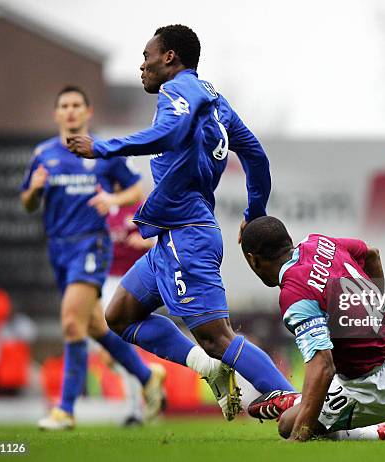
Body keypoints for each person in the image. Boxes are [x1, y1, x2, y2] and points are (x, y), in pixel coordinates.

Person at [67, 25, 294, 421]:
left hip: (187, 236)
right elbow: (256, 156)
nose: (142, 66)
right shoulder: (215, 101)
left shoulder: (179, 91)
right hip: (172, 238)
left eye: (147, 56)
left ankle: (297, 400)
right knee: (119, 315)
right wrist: (253, 214)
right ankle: (210, 370)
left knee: (217, 337)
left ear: (169, 57)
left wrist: (102, 148)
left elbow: (172, 132)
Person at [21, 86, 167, 430]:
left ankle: (65, 410)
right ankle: (147, 377)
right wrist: (35, 189)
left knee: (72, 323)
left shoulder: (102, 151)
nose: (70, 111)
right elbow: (27, 203)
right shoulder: (43, 154)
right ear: (57, 114)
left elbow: (136, 190)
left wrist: (113, 202)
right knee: (93, 326)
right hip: (59, 248)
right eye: (64, 106)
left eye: (76, 105)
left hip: (92, 245)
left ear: (87, 112)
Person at [240, 216, 385, 442]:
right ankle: (300, 401)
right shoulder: (319, 242)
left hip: (382, 385)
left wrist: (297, 441)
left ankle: (371, 431)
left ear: (253, 260)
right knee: (311, 405)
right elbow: (372, 254)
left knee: (288, 424)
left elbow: (324, 367)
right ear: (289, 240)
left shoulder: (295, 295)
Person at [101, 202, 155, 426]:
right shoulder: (101, 205)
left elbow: (163, 239)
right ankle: (149, 381)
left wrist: (147, 240)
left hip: (133, 280)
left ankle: (136, 409)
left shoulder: (139, 207)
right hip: (105, 281)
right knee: (110, 350)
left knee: (126, 345)